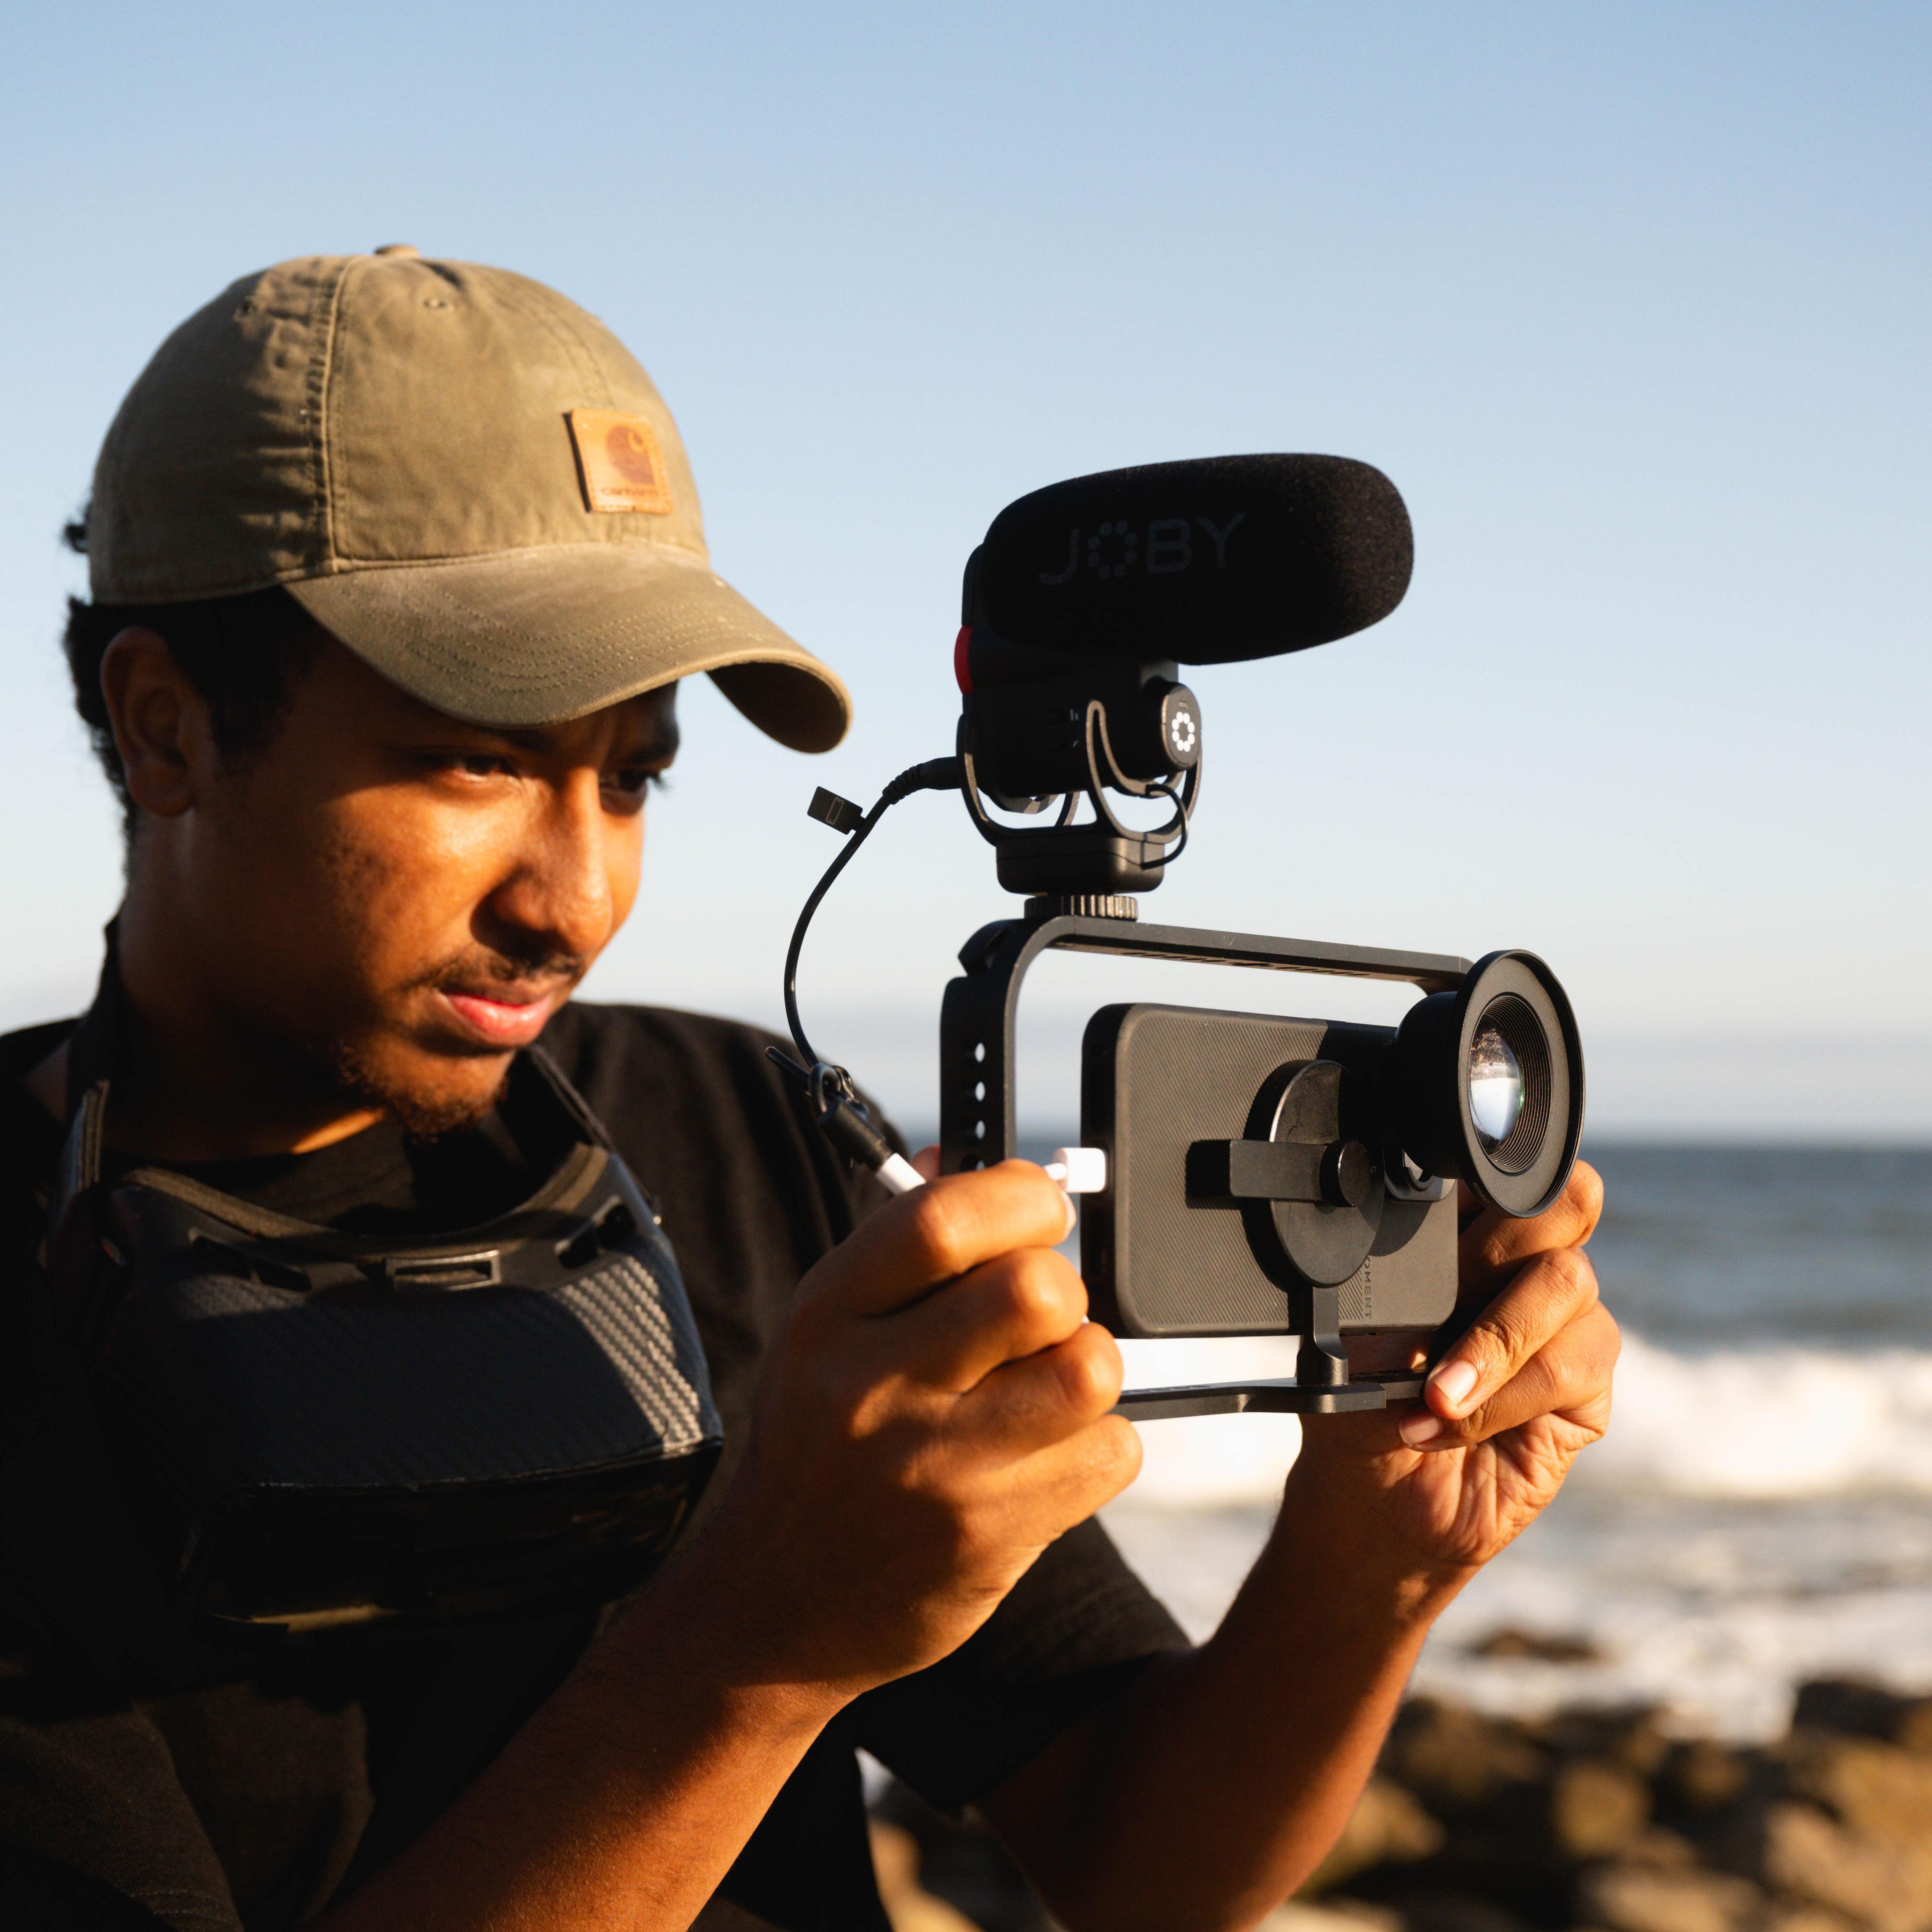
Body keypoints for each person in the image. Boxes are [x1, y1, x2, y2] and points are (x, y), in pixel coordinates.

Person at [0, 247, 1616, 1932]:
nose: (575, 899)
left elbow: (1147, 1863)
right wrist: (751, 1652)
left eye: (630, 779)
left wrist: (1375, 1557)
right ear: (167, 728)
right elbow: (768, 1660)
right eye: (476, 755)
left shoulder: (742, 1136)